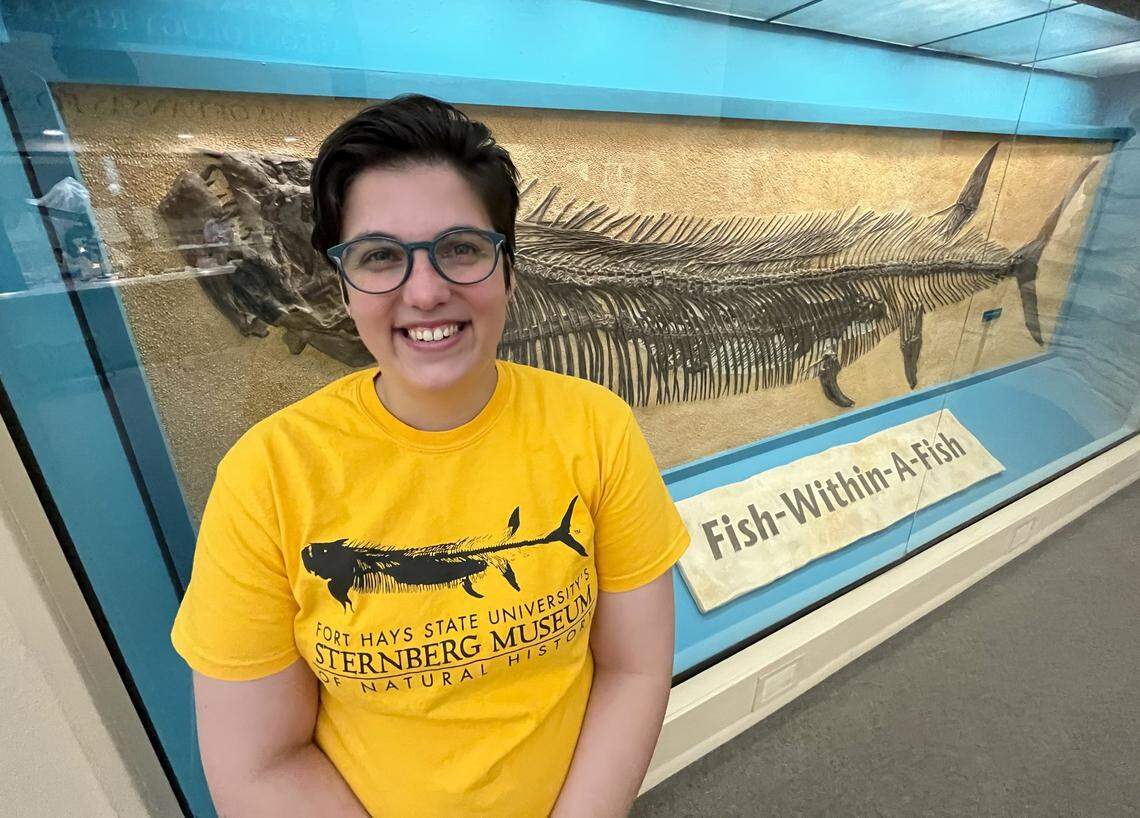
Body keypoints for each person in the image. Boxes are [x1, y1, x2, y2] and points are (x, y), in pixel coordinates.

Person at [171, 95, 690, 817]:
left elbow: (633, 667)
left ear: (507, 267)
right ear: (344, 282)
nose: (425, 290)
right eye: (381, 256)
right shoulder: (266, 476)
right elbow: (259, 764)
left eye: (462, 248)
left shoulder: (596, 426)